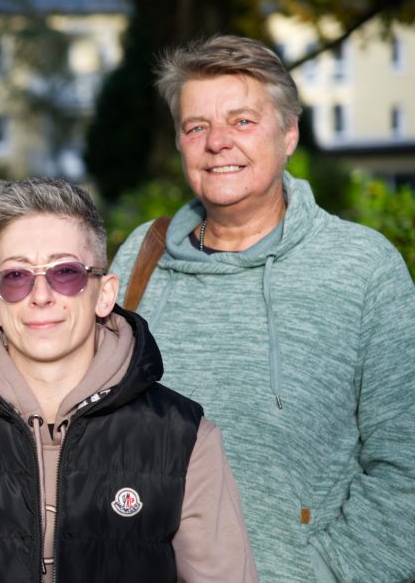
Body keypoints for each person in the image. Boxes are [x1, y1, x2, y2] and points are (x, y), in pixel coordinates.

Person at [109, 34, 415, 581]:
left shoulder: (363, 269)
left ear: (289, 133)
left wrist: (320, 573)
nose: (217, 142)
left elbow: (405, 465)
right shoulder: (141, 258)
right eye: (196, 126)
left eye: (243, 121)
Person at [0, 178, 256, 582]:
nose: (41, 294)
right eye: (16, 276)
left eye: (65, 272)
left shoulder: (186, 438)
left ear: (104, 293)